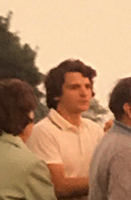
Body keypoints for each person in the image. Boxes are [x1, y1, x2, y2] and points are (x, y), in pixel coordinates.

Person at [26, 59, 104, 199]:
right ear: (56, 94)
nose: (84, 93)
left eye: (87, 86)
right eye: (74, 87)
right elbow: (59, 187)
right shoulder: (43, 132)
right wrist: (106, 180)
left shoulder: (95, 130)